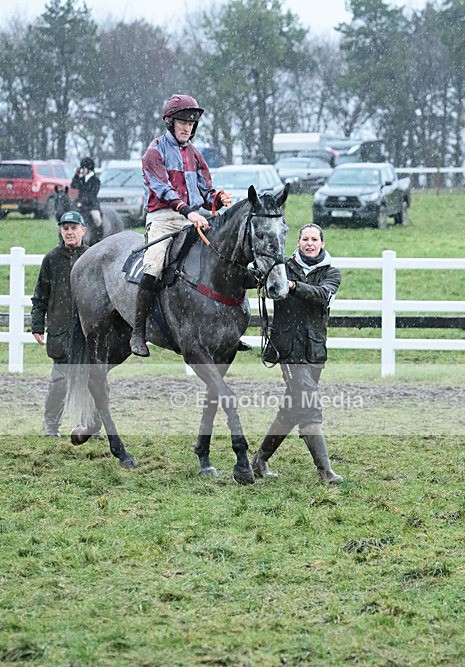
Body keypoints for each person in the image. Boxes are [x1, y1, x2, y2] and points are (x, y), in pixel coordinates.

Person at [130, 93, 232, 357]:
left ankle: (226, 328)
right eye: (183, 122)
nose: (187, 127)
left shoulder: (196, 155)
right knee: (153, 265)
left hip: (191, 217)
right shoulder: (154, 152)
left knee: (220, 258)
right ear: (170, 122)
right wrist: (189, 213)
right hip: (163, 219)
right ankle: (138, 332)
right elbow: (163, 189)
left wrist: (218, 198)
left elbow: (206, 191)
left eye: (191, 123)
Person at [252, 223, 343, 484]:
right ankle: (325, 471)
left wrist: (292, 286)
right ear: (299, 242)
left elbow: (321, 296)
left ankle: (258, 461)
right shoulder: (281, 266)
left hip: (314, 351)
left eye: (315, 239)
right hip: (288, 350)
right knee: (309, 406)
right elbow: (257, 277)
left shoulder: (332, 274)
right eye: (305, 239)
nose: (310, 243)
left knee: (291, 410)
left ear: (322, 244)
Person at [31, 211, 89, 436]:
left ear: (83, 230)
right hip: (60, 331)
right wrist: (37, 325)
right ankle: (51, 426)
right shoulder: (51, 259)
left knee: (91, 381)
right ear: (60, 231)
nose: (69, 232)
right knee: (59, 383)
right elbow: (40, 296)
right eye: (65, 228)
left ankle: (90, 426)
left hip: (87, 332)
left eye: (74, 227)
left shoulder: (93, 257)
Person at [71, 157, 103, 243]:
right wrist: (76, 174)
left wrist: (82, 202)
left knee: (96, 218)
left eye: (84, 168)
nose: (82, 170)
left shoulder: (96, 180)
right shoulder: (81, 179)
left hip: (92, 205)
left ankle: (99, 237)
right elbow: (73, 185)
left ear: (89, 169)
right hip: (80, 204)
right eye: (82, 168)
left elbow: (92, 194)